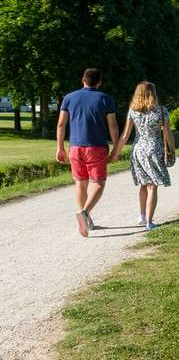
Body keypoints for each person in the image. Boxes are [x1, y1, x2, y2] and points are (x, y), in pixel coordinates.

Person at [56, 68, 119, 237]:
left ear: (83, 79)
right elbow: (112, 126)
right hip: (96, 147)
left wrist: (60, 147)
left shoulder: (69, 98)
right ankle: (84, 213)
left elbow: (61, 125)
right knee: (98, 183)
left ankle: (85, 218)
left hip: (75, 147)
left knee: (80, 183)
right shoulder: (105, 99)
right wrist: (115, 148)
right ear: (99, 82)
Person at [110, 81, 174, 230]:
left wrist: (116, 153)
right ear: (153, 93)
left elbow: (125, 135)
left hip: (138, 150)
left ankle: (142, 216)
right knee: (153, 186)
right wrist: (172, 149)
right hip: (154, 149)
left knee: (144, 184)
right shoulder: (162, 111)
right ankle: (149, 223)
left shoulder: (133, 111)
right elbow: (167, 133)